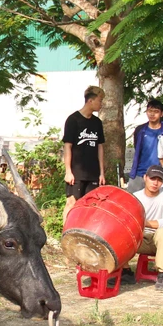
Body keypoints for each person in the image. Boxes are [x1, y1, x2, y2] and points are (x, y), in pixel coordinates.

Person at [62, 86, 106, 225]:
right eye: (100, 100)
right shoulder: (73, 120)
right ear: (90, 101)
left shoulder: (97, 123)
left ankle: (84, 233)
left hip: (93, 173)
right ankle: (67, 233)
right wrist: (68, 171)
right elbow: (67, 146)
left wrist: (101, 173)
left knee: (91, 205)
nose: (101, 104)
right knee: (71, 203)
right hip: (76, 173)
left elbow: (100, 147)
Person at [132, 164, 163, 291]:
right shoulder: (136, 197)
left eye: (159, 180)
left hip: (162, 240)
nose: (155, 183)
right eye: (152, 178)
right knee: (122, 233)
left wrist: (144, 223)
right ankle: (125, 271)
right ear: (145, 178)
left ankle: (162, 274)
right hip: (142, 238)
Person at [128, 99, 163, 193]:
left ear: (162, 114)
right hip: (139, 173)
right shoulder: (140, 130)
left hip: (159, 175)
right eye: (150, 111)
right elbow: (137, 148)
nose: (152, 114)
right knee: (133, 202)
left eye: (156, 111)